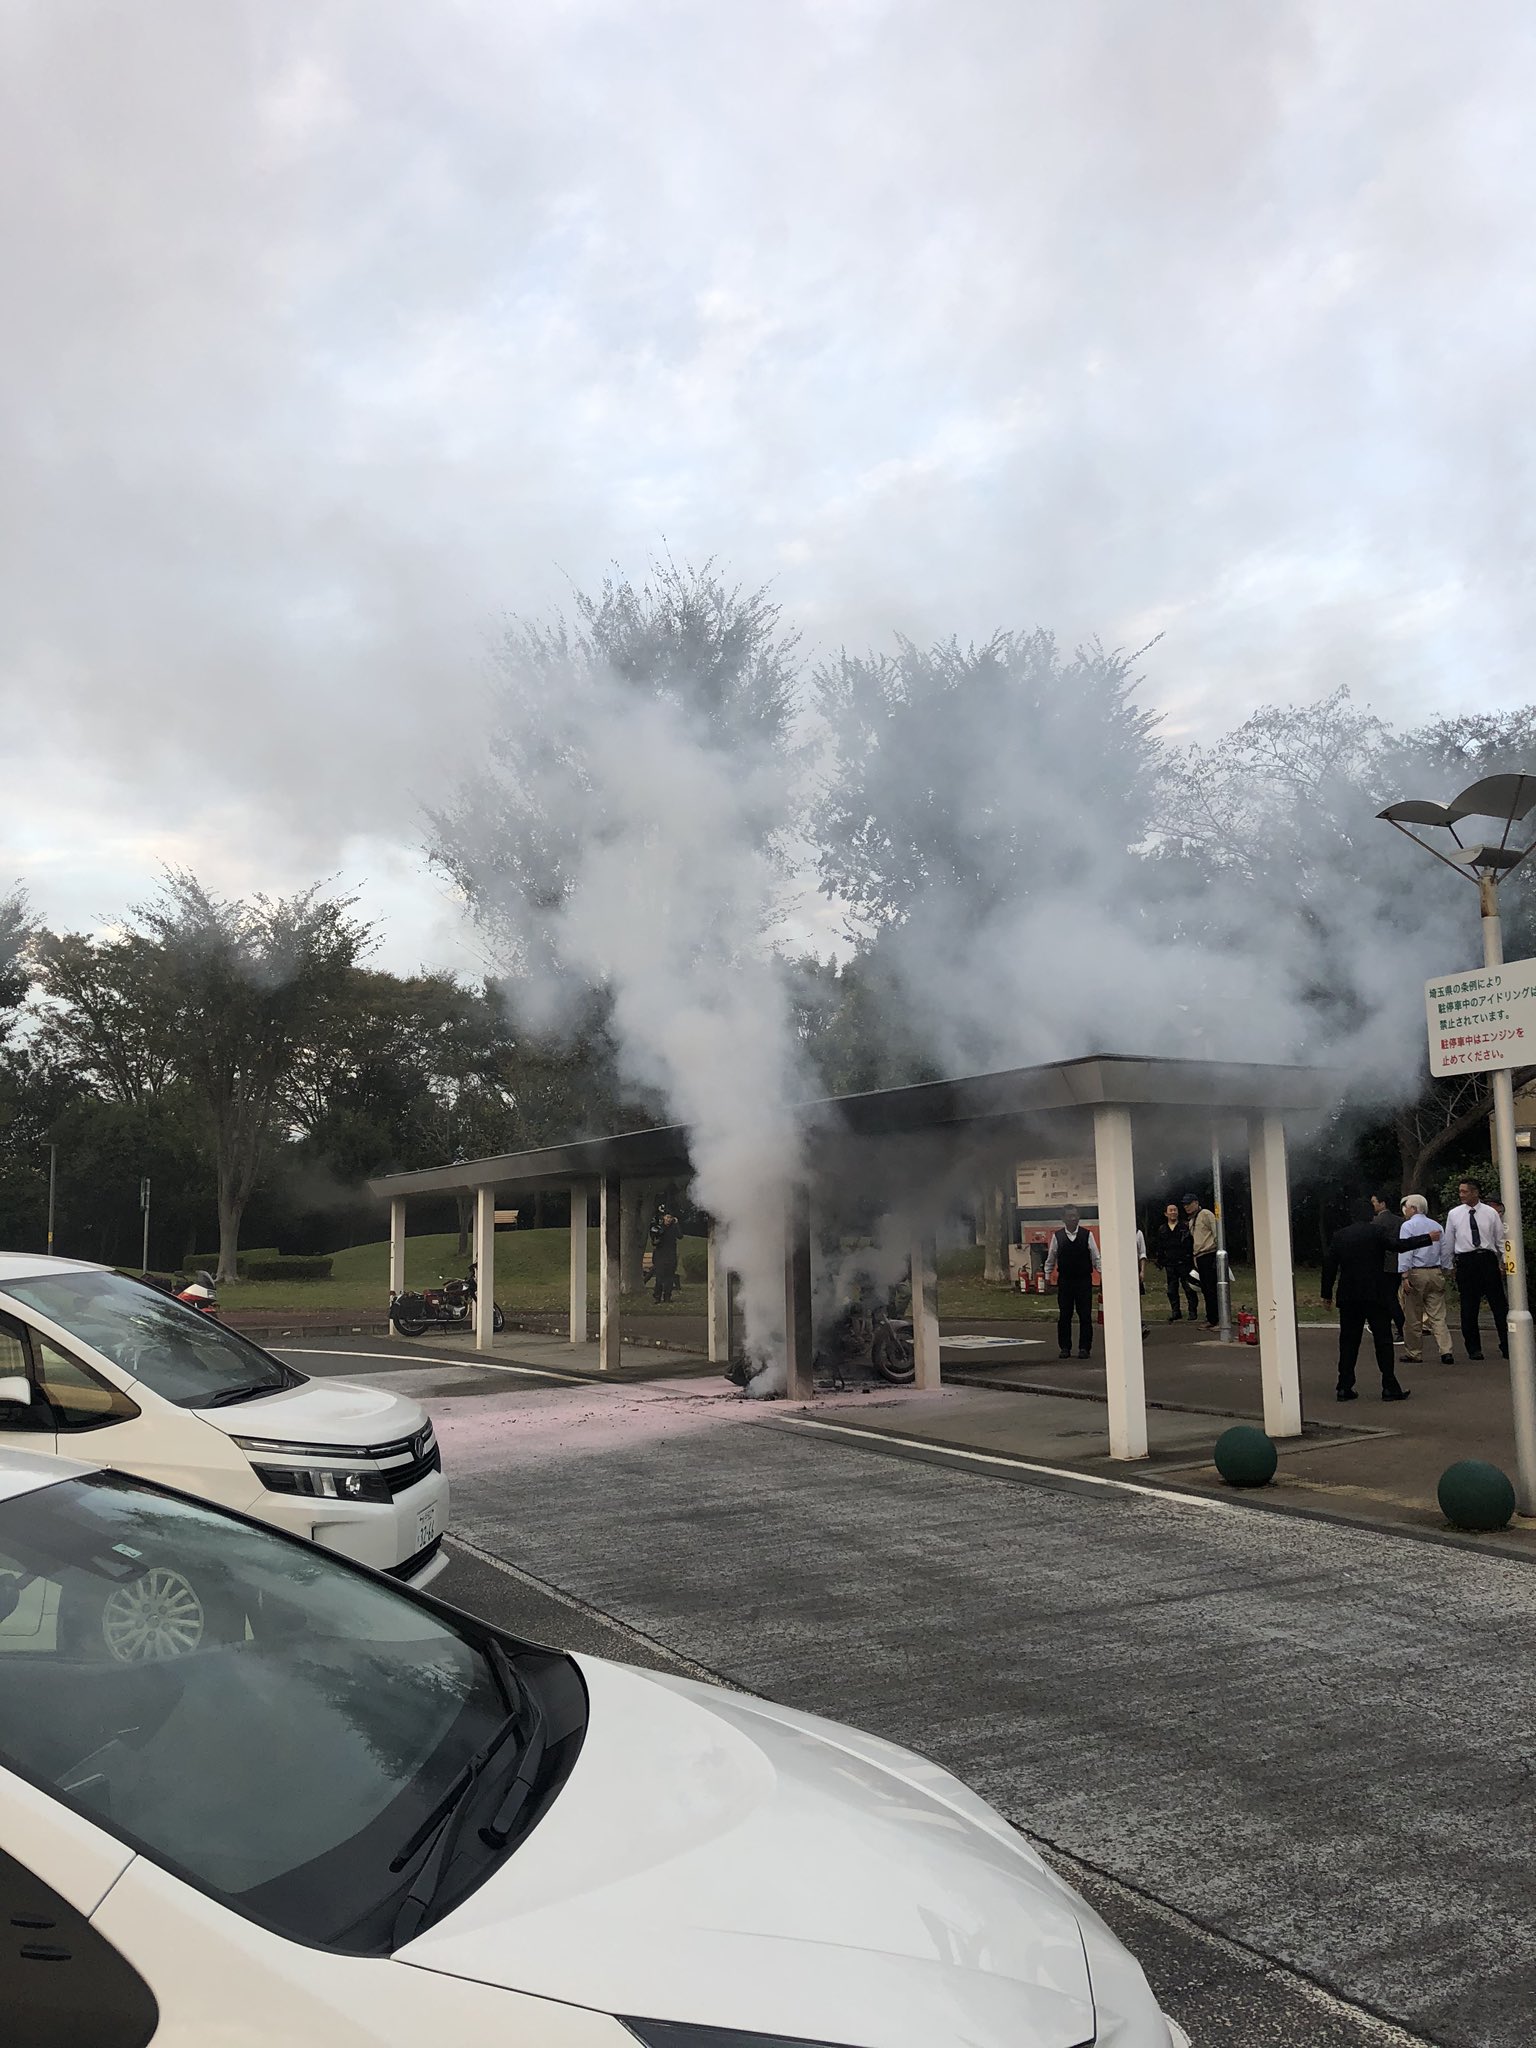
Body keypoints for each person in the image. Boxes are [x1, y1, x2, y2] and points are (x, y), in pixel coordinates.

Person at [1321, 1201, 1409, 1401]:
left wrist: (1326, 1293)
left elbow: (1330, 1265)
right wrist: (1426, 1239)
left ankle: (1344, 1386)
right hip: (1375, 1293)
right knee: (1383, 1340)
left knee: (1348, 1342)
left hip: (1349, 1294)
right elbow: (1398, 1246)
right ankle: (1389, 1385)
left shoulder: (1340, 1235)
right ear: (1371, 1216)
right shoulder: (1376, 1232)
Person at [1441, 1178, 1508, 1360]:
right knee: (1469, 1307)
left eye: (1465, 1191)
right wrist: (1448, 1266)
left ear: (1475, 1192)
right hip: (1466, 1260)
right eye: (1460, 1191)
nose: (1461, 1195)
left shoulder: (1490, 1213)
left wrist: (1505, 1261)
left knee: (1499, 1305)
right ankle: (1473, 1348)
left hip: (1486, 1258)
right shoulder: (1454, 1214)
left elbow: (1500, 1239)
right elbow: (1449, 1241)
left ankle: (1506, 1345)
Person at [1397, 1195, 1452, 1366]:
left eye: (1406, 1207)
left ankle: (1414, 1352)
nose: (1405, 1210)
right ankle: (1446, 1350)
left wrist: (1404, 1275)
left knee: (1413, 1315)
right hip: (1435, 1271)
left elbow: (1406, 1251)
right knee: (1438, 1315)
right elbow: (1445, 1250)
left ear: (1413, 1208)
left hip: (1416, 1272)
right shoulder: (1436, 1226)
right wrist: (1446, 1268)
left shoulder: (1408, 1226)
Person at [1045, 1205, 1100, 1360]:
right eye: (1069, 1216)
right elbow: (1051, 1258)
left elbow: (1096, 1257)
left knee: (1085, 1315)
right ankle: (1065, 1348)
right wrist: (1047, 1276)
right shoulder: (1058, 1237)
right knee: (1065, 1315)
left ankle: (1084, 1348)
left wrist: (1103, 1275)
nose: (1073, 1218)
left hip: (1083, 1280)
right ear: (1063, 1218)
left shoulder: (1087, 1235)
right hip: (1065, 1281)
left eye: (1075, 1215)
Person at [1369, 1194, 1407, 1341]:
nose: (1373, 1205)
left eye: (1374, 1202)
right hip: (1397, 1263)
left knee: (1387, 1298)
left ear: (1382, 1203)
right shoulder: (1400, 1221)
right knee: (1391, 1296)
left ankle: (1400, 1327)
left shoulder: (1375, 1222)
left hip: (1382, 1264)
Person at [1155, 1202, 1199, 1321]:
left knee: (1189, 1289)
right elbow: (1160, 1246)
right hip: (1170, 1264)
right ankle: (1176, 1312)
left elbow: (1191, 1243)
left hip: (1185, 1263)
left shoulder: (1185, 1226)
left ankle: (1192, 1312)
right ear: (1166, 1214)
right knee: (1171, 1290)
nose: (1173, 1212)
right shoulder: (1162, 1229)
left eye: (1175, 1210)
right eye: (1171, 1210)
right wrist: (1160, 1261)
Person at [1183, 1193, 1219, 1330]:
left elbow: (1216, 1232)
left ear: (1196, 1203)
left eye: (1189, 1203)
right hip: (1199, 1256)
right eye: (1185, 1204)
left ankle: (1214, 1319)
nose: (1186, 1206)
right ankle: (1211, 1317)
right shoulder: (1192, 1220)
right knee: (1205, 1289)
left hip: (1209, 1254)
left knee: (1211, 1288)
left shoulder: (1206, 1214)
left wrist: (1218, 1251)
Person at [651, 1210, 682, 1304]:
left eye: (670, 1217)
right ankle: (657, 1297)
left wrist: (677, 1224)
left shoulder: (674, 1228)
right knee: (659, 1278)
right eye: (667, 1217)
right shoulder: (659, 1227)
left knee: (670, 1277)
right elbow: (654, 1240)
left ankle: (667, 1297)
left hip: (671, 1255)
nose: (669, 1219)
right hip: (660, 1255)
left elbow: (680, 1236)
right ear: (664, 1218)